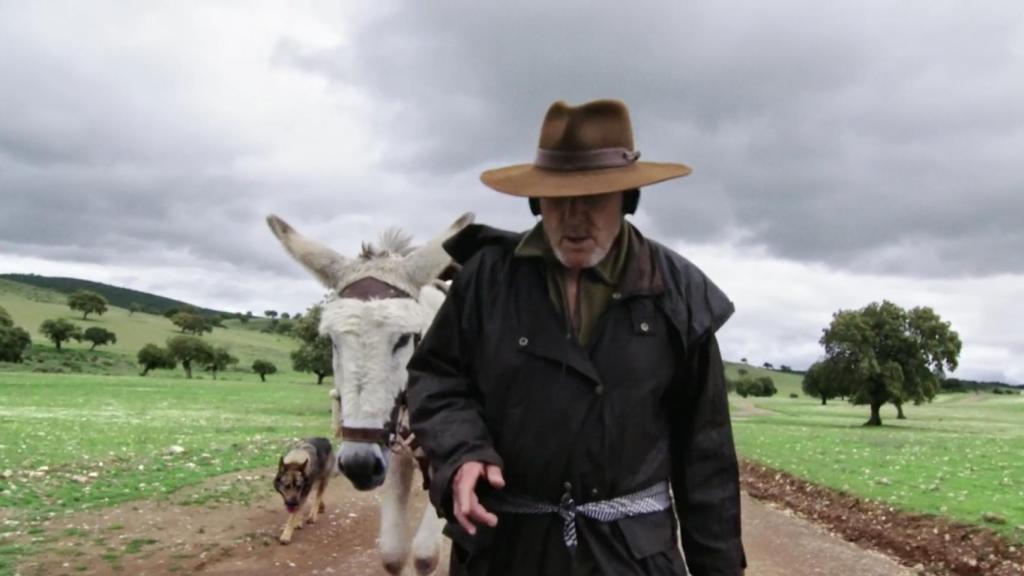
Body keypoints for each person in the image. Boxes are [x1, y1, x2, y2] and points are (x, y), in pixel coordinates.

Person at [407, 99, 746, 576]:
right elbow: (437, 379)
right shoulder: (486, 280)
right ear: (535, 201)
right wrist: (462, 451)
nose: (574, 218)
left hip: (631, 559)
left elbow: (705, 457)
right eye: (559, 200)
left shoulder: (677, 293)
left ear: (627, 199)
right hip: (505, 552)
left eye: (594, 198)